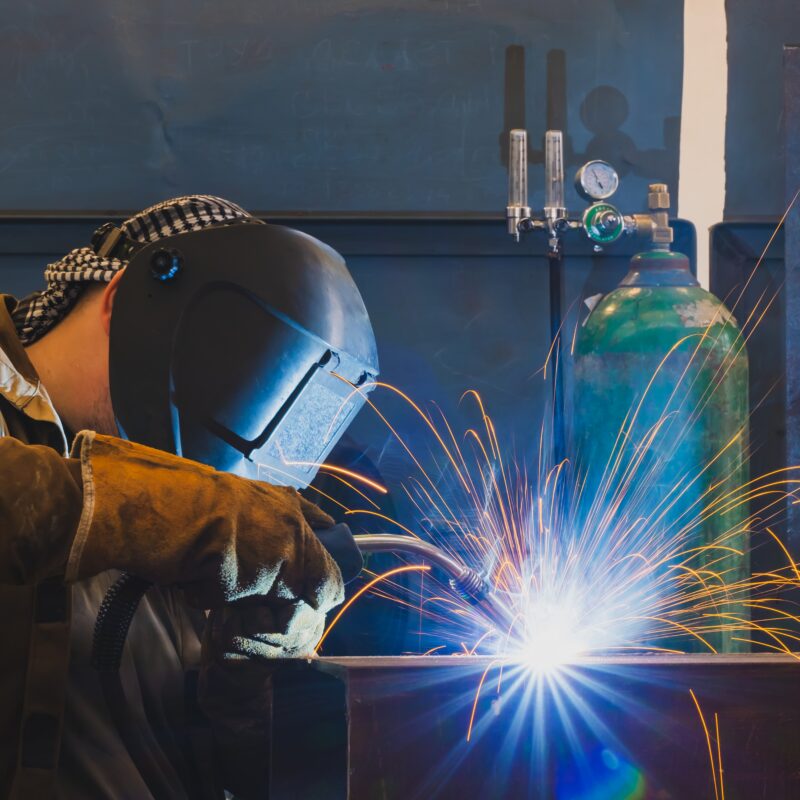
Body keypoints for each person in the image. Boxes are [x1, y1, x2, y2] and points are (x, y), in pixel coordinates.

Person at [0, 195, 379, 798]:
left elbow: (232, 773)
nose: (196, 477)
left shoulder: (215, 506)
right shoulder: (197, 509)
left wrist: (248, 678)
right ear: (123, 302)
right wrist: (170, 507)